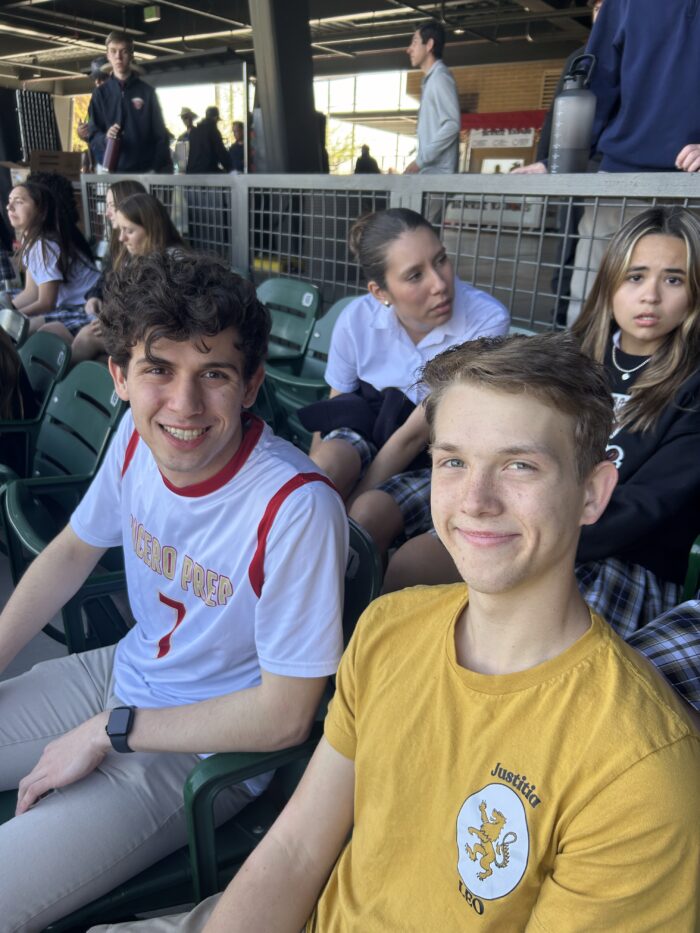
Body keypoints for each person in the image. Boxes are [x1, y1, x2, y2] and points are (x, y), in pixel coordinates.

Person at [94, 333, 700, 933]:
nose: (477, 500)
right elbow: (298, 850)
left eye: (520, 465)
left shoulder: (640, 772)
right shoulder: (388, 627)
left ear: (592, 494)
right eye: (454, 461)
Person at [0, 251, 347, 932]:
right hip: (122, 673)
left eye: (212, 373)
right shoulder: (134, 435)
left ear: (250, 386)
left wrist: (112, 731)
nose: (184, 405)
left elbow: (284, 716)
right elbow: (72, 550)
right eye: (159, 369)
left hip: (202, 751)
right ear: (120, 376)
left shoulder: (296, 507)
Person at [384, 206, 700, 710]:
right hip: (535, 510)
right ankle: (401, 694)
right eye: (636, 276)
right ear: (610, 282)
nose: (651, 296)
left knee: (535, 676)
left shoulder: (691, 388)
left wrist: (540, 538)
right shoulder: (573, 354)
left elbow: (649, 506)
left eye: (674, 279)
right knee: (411, 558)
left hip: (623, 558)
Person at [300, 208, 509, 560]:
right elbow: (336, 408)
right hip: (370, 420)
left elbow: (416, 434)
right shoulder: (356, 318)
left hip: (436, 447)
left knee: (365, 516)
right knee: (326, 470)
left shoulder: (485, 320)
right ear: (380, 291)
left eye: (440, 260)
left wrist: (346, 511)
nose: (440, 284)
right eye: (415, 276)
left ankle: (357, 608)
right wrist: (310, 480)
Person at [564, 0, 700, 321]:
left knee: (684, 318)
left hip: (694, 187)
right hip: (618, 181)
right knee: (588, 307)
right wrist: (556, 159)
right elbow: (598, 79)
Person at [512, 0, 603, 326]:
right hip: (571, 168)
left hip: (608, 170)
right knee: (568, 252)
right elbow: (555, 116)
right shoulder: (580, 58)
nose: (603, 13)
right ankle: (561, 326)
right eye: (597, 7)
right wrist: (545, 162)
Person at [6, 177, 99, 337]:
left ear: (40, 209)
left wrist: (13, 318)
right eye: (9, 201)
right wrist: (9, 309)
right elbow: (31, 292)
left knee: (24, 329)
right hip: (70, 304)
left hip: (89, 305)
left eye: (19, 201)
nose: (9, 207)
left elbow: (46, 303)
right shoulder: (31, 240)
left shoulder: (45, 245)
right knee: (6, 301)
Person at [67, 180, 147, 363]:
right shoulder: (120, 243)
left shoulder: (151, 253)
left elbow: (143, 306)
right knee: (54, 329)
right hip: (109, 319)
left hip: (130, 328)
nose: (107, 212)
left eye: (112, 205)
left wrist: (112, 322)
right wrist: (94, 296)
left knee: (86, 340)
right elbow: (105, 277)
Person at [88, 31, 171, 173]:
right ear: (108, 55)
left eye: (123, 51)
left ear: (131, 55)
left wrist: (155, 169)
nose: (118, 57)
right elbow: (93, 133)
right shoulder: (99, 94)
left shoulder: (147, 92)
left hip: (144, 171)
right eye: (113, 51)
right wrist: (105, 138)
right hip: (110, 170)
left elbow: (160, 135)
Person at [404, 21, 460, 175]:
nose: (409, 49)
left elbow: (452, 125)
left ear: (429, 45)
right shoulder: (432, 80)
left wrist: (420, 161)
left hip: (437, 177)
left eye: (414, 42)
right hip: (430, 174)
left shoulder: (440, 78)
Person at [186, 106, 232, 174]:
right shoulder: (213, 131)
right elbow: (221, 152)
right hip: (207, 172)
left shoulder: (194, 132)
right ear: (215, 118)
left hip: (192, 173)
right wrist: (231, 169)